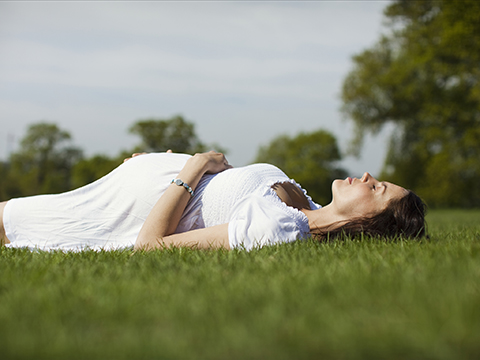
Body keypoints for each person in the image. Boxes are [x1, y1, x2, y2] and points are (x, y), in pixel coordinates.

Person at [0, 151, 426, 252]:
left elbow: (151, 245)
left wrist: (192, 167)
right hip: (121, 188)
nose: (369, 177)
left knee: (9, 220)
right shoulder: (304, 205)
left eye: (378, 189)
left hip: (110, 215)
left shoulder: (277, 227)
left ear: (369, 222)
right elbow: (225, 195)